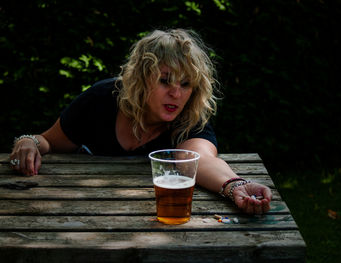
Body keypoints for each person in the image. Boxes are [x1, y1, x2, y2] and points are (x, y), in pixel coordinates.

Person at [10, 28, 272, 214]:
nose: (176, 94)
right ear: (142, 77)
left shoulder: (189, 118)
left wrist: (236, 185)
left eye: (185, 83)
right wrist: (27, 141)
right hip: (76, 215)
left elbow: (198, 160)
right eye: (164, 80)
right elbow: (47, 141)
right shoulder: (102, 99)